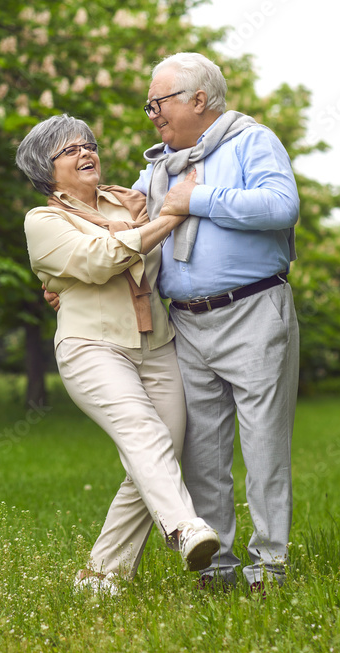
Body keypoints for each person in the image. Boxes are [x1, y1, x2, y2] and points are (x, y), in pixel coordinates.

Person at [47, 53, 300, 594]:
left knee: (263, 449)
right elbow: (115, 224)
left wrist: (200, 198)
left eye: (157, 103)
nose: (152, 115)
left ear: (197, 100)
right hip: (185, 325)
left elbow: (282, 207)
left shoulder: (252, 142)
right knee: (202, 453)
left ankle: (270, 567)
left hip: (253, 310)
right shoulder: (160, 167)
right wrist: (65, 277)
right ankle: (219, 569)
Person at [15, 113, 220, 594]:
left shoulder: (128, 200)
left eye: (89, 144)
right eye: (70, 150)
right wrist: (171, 216)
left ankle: (100, 576)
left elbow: (148, 254)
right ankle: (185, 527)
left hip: (156, 343)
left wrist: (156, 216)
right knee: (144, 435)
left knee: (156, 456)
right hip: (92, 347)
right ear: (46, 169)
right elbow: (102, 258)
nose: (86, 153)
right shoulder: (43, 220)